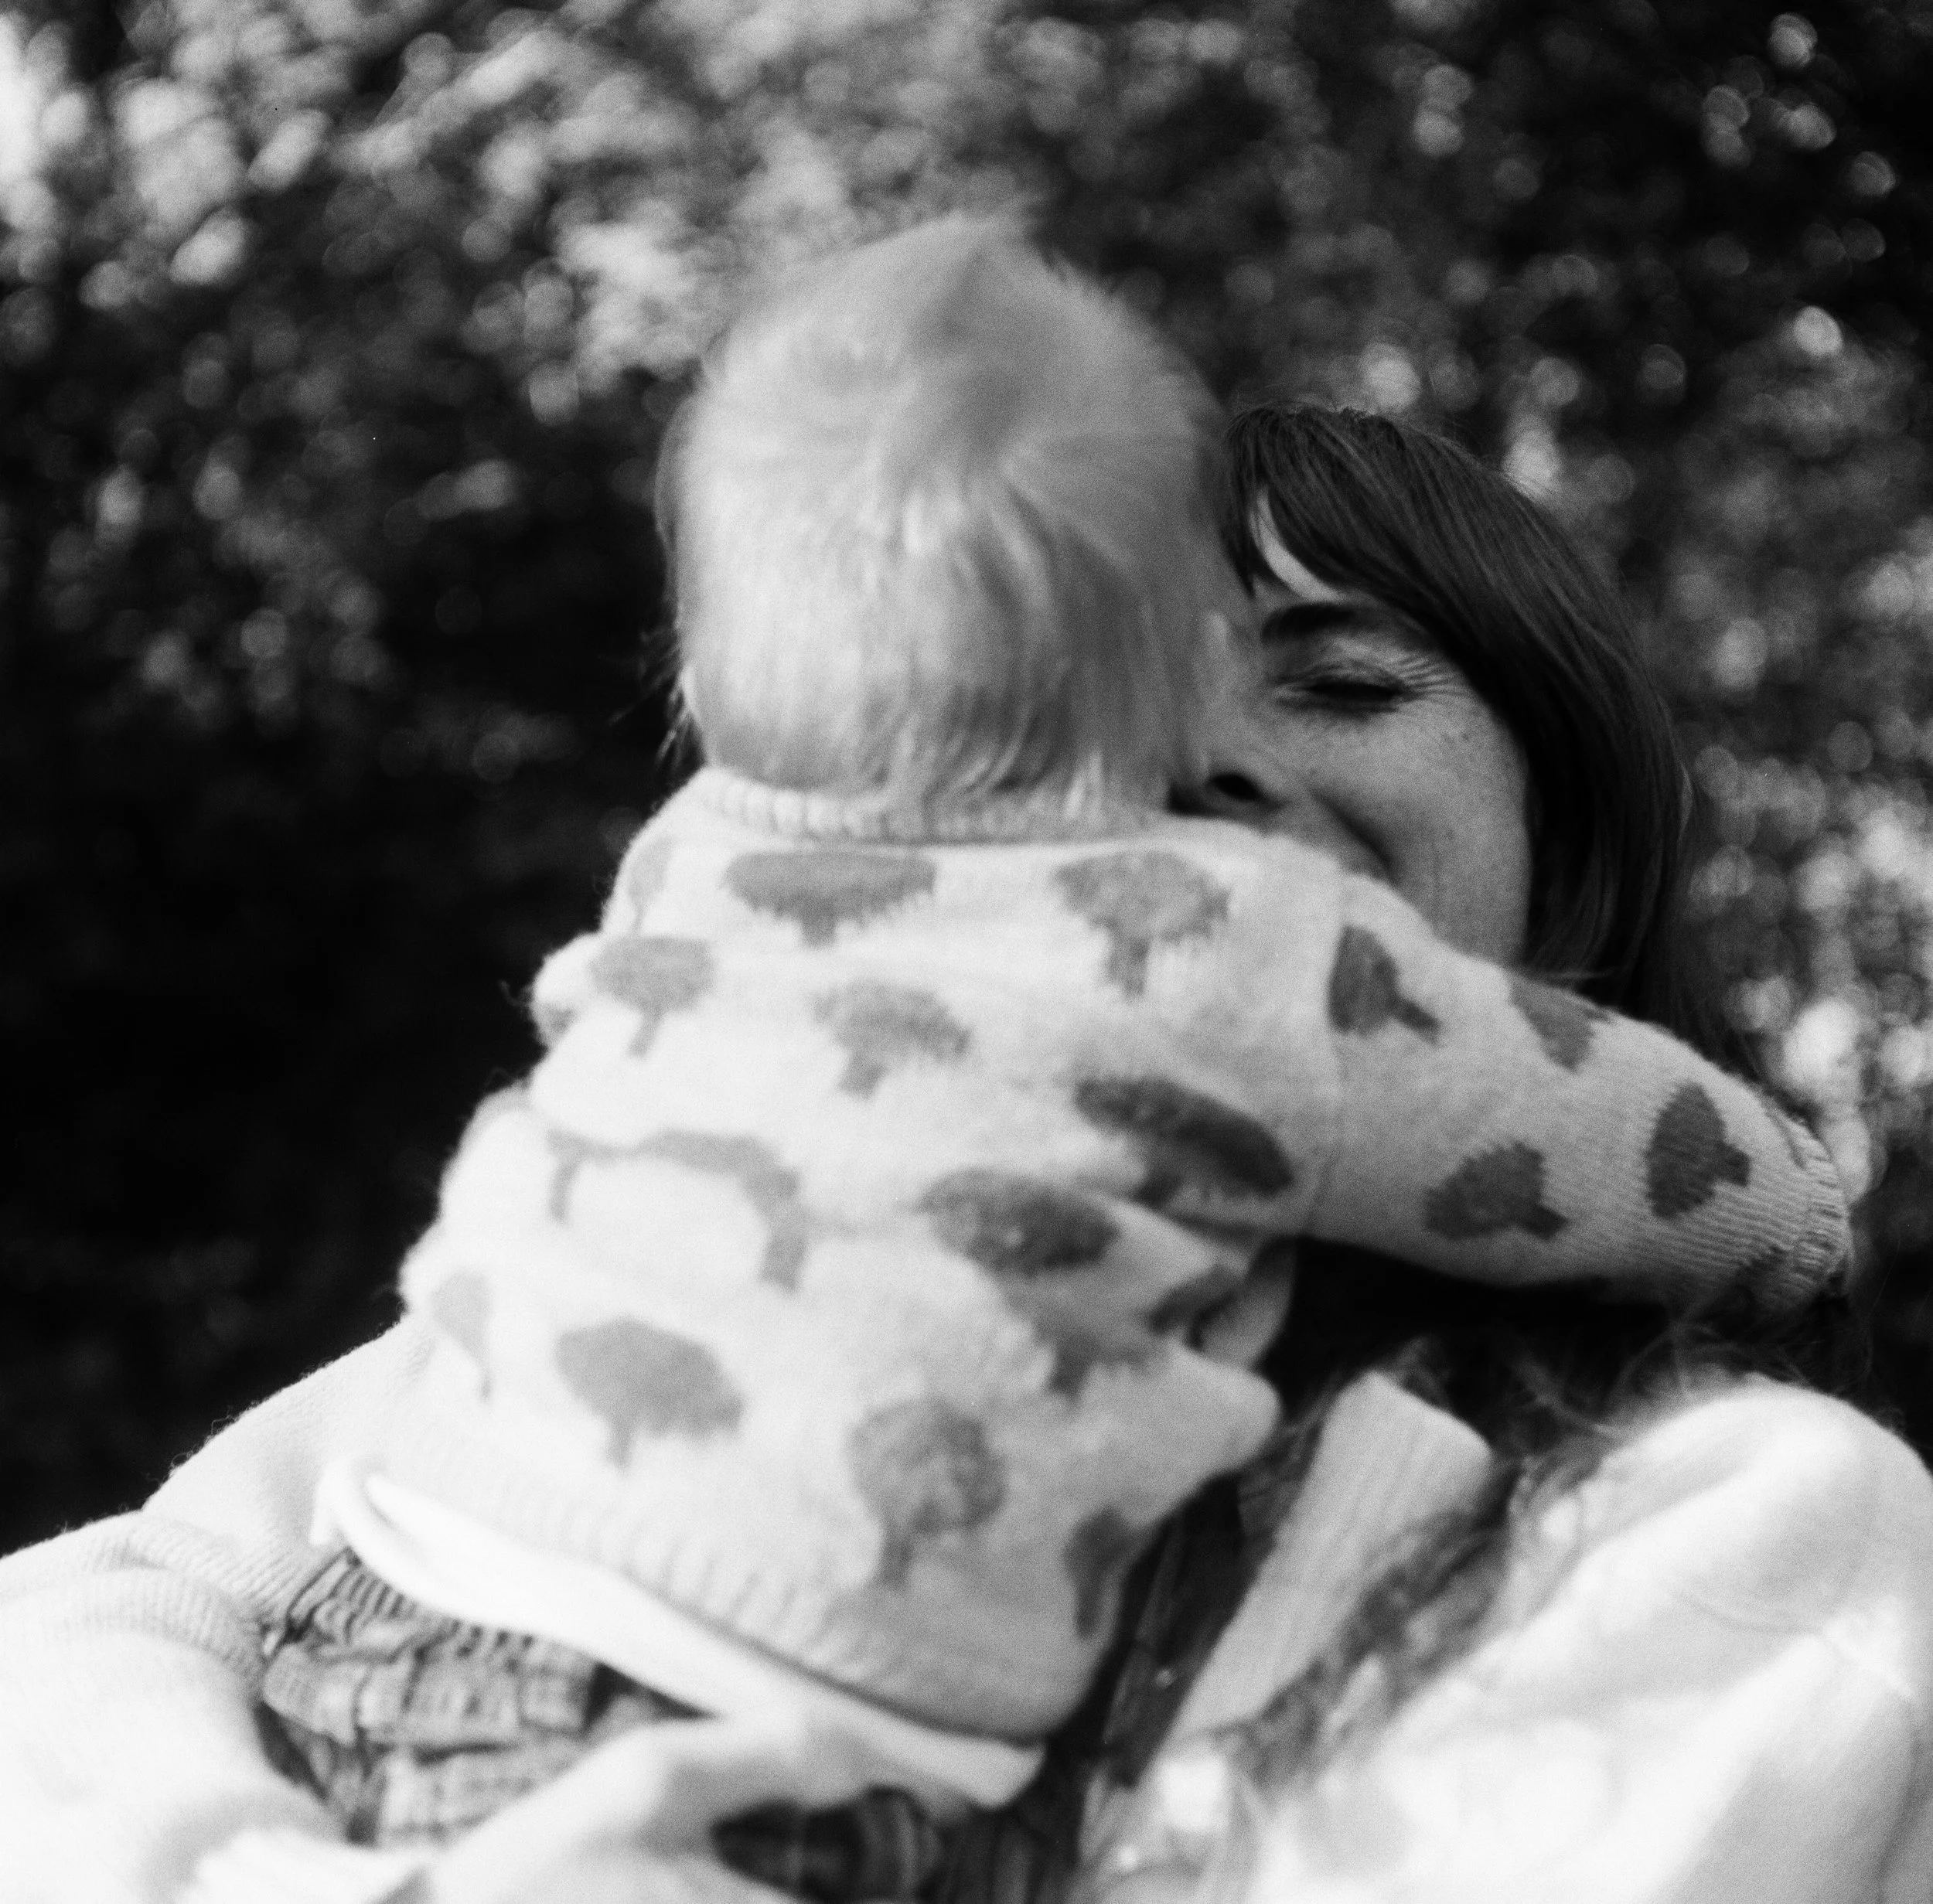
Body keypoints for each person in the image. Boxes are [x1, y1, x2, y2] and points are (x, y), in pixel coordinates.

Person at [0, 363, 1921, 1904]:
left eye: (1339, 682)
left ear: (1569, 871)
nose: (1206, 757)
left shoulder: (1735, 1533)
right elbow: (84, 1619)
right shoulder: (623, 1289)